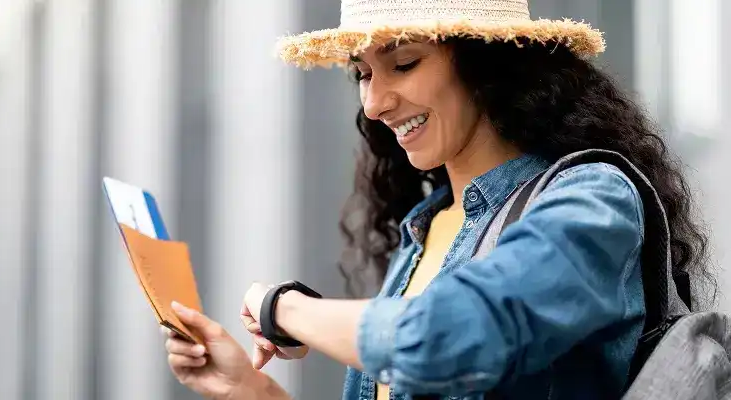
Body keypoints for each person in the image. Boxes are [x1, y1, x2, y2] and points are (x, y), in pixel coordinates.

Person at [163, 0, 715, 399]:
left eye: (404, 63)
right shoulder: (425, 232)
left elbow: (448, 335)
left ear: (488, 64)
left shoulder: (592, 199)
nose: (374, 103)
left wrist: (283, 308)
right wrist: (248, 388)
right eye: (363, 73)